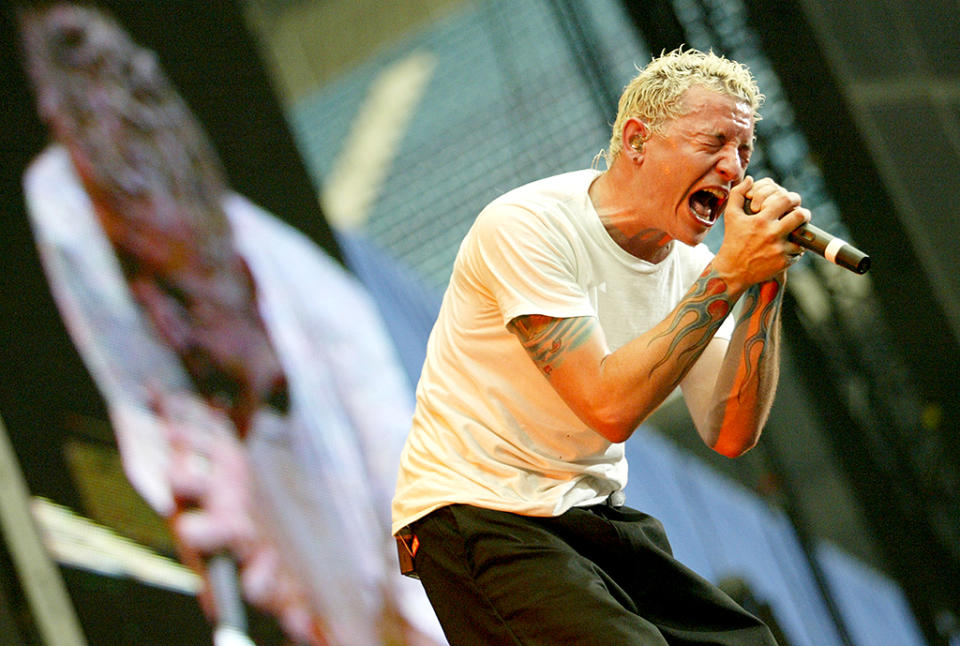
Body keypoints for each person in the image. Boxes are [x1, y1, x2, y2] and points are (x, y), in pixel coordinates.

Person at [391, 47, 810, 645]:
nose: (733, 168)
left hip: (588, 509)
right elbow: (608, 406)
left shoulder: (696, 267)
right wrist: (730, 276)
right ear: (637, 140)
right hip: (479, 512)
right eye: (712, 143)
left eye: (743, 152)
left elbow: (730, 431)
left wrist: (766, 285)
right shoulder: (528, 226)